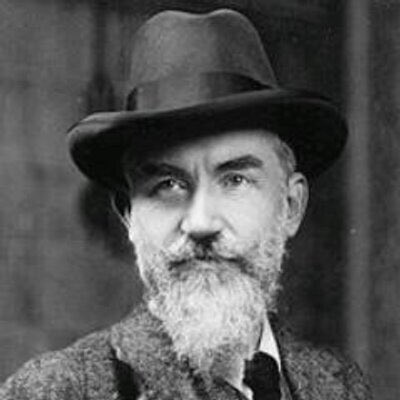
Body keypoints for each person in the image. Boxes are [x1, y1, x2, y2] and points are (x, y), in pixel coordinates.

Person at [0, 9, 372, 400]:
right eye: (169, 185)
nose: (200, 222)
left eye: (235, 180)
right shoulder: (55, 390)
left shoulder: (341, 386)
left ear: (291, 205)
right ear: (128, 214)